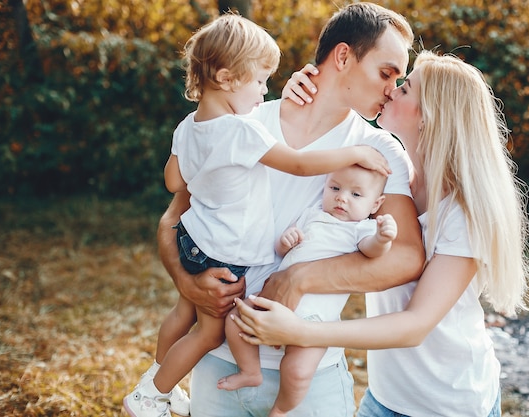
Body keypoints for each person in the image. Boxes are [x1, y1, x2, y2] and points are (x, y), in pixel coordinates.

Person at [156, 3, 425, 417]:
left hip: (308, 378)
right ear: (342, 56)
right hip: (219, 364)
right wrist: (185, 281)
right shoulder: (245, 120)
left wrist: (298, 277)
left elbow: (407, 256)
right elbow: (174, 217)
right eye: (386, 72)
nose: (392, 88)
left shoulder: (379, 150)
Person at [233, 49, 529, 417]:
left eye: (405, 89)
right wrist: (305, 91)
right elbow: (331, 121)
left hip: (450, 402)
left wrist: (300, 333)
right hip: (385, 397)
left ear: (428, 118)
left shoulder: (463, 212)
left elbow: (414, 326)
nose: (391, 91)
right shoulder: (393, 177)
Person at [218, 165, 398, 416]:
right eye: (334, 188)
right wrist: (287, 240)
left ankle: (281, 409)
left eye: (356, 195)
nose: (342, 197)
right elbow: (283, 251)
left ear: (376, 204)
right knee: (236, 318)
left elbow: (371, 250)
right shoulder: (312, 214)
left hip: (314, 321)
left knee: (299, 370)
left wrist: (383, 238)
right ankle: (250, 372)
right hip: (273, 302)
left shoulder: (360, 229)